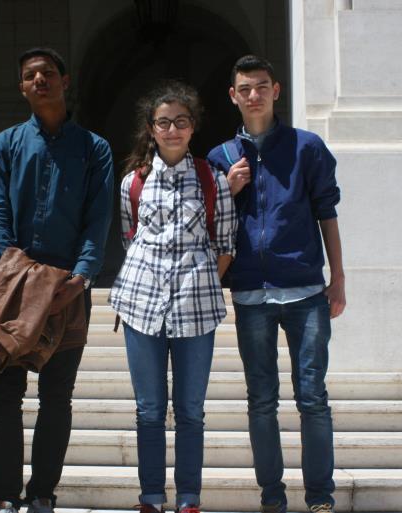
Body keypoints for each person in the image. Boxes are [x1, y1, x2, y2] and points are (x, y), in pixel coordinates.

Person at [207, 55, 346, 513]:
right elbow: (208, 226)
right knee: (261, 401)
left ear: (276, 90)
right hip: (251, 294)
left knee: (313, 397)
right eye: (245, 88)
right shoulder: (221, 158)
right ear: (233, 95)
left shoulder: (307, 148)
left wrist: (338, 278)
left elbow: (327, 212)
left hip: (306, 290)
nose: (253, 95)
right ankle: (272, 496)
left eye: (261, 86)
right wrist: (227, 189)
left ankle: (320, 497)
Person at [0, 47, 114, 513]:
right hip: (14, 285)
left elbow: (98, 219)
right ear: (21, 87)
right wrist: (16, 273)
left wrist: (79, 278)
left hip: (69, 288)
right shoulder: (4, 145)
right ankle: (3, 496)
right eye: (29, 75)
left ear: (65, 80)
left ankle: (42, 495)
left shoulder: (94, 148)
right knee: (4, 395)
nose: (39, 80)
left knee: (56, 397)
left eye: (47, 73)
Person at [109, 80, 237, 513]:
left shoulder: (211, 178)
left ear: (192, 127)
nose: (172, 130)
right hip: (141, 307)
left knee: (190, 411)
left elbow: (225, 245)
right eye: (163, 122)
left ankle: (188, 498)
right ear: (151, 128)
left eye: (181, 122)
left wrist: (197, 279)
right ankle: (150, 497)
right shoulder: (132, 182)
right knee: (148, 410)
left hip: (196, 308)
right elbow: (131, 239)